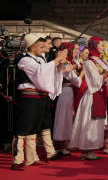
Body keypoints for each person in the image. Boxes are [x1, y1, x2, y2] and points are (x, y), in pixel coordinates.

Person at [12, 34, 68, 169]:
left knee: (34, 128)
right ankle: (18, 160)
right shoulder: (24, 60)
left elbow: (51, 74)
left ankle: (31, 158)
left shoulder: (41, 59)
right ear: (32, 47)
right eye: (41, 46)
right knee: (24, 127)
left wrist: (59, 64)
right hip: (29, 97)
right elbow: (40, 73)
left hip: (41, 96)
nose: (43, 49)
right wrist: (55, 61)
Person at [70, 36, 108, 161]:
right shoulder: (89, 62)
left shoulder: (103, 61)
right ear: (94, 46)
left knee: (97, 121)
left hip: (101, 93)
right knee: (90, 121)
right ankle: (87, 148)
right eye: (101, 45)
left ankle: (90, 148)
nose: (104, 47)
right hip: (92, 94)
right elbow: (96, 81)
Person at [53, 43, 85, 155]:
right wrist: (82, 73)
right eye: (74, 50)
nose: (76, 52)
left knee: (68, 117)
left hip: (68, 92)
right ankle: (60, 144)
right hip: (66, 91)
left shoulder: (69, 62)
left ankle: (66, 143)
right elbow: (76, 82)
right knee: (64, 117)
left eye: (77, 49)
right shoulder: (65, 63)